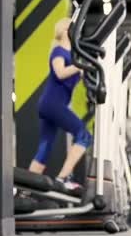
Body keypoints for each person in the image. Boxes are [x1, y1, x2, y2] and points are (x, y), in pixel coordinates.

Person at [27, 18, 91, 191]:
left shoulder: (73, 56)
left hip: (51, 105)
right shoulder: (58, 51)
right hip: (52, 103)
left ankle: (24, 190)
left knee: (45, 147)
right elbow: (60, 72)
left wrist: (85, 70)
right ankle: (63, 178)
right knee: (84, 135)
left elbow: (81, 75)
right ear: (66, 31)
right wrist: (80, 66)